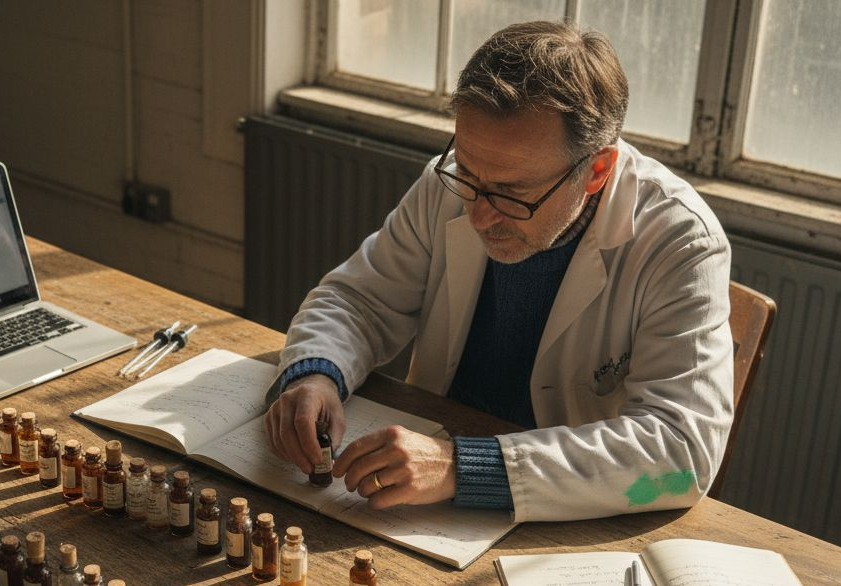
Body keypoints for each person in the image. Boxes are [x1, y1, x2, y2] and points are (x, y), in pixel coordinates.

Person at [263, 20, 733, 522]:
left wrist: (464, 468)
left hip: (565, 518)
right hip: (420, 499)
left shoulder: (681, 241)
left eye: (512, 193)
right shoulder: (449, 185)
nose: (480, 215)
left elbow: (681, 453)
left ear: (596, 171)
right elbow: (358, 301)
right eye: (468, 174)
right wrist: (317, 374)